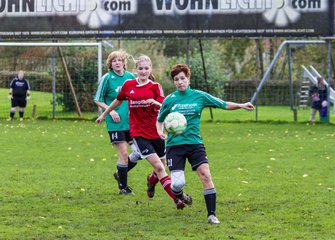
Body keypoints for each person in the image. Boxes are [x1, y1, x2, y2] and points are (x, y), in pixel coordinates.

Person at [156, 64, 254, 224]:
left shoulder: (199, 96)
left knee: (206, 175)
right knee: (178, 183)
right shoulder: (170, 100)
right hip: (174, 146)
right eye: (176, 79)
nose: (180, 82)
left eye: (182, 78)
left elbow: (222, 104)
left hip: (195, 144)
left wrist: (241, 105)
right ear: (174, 82)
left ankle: (212, 214)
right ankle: (180, 195)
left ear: (188, 79)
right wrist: (160, 131)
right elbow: (160, 119)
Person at [95, 55, 191, 209]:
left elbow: (163, 105)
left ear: (150, 69)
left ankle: (151, 181)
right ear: (135, 70)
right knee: (159, 167)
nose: (143, 71)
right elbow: (118, 100)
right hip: (139, 134)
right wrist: (104, 114)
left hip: (156, 133)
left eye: (146, 68)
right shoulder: (128, 85)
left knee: (162, 166)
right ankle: (177, 200)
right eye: (140, 68)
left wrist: (155, 103)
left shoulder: (155, 87)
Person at [94, 50, 140, 195]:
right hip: (115, 123)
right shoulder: (107, 78)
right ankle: (123, 188)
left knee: (139, 153)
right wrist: (110, 111)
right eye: (114, 61)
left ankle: (120, 173)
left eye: (120, 60)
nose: (117, 63)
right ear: (110, 64)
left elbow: (137, 96)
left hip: (131, 123)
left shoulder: (130, 77)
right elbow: (98, 99)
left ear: (124, 62)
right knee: (124, 154)